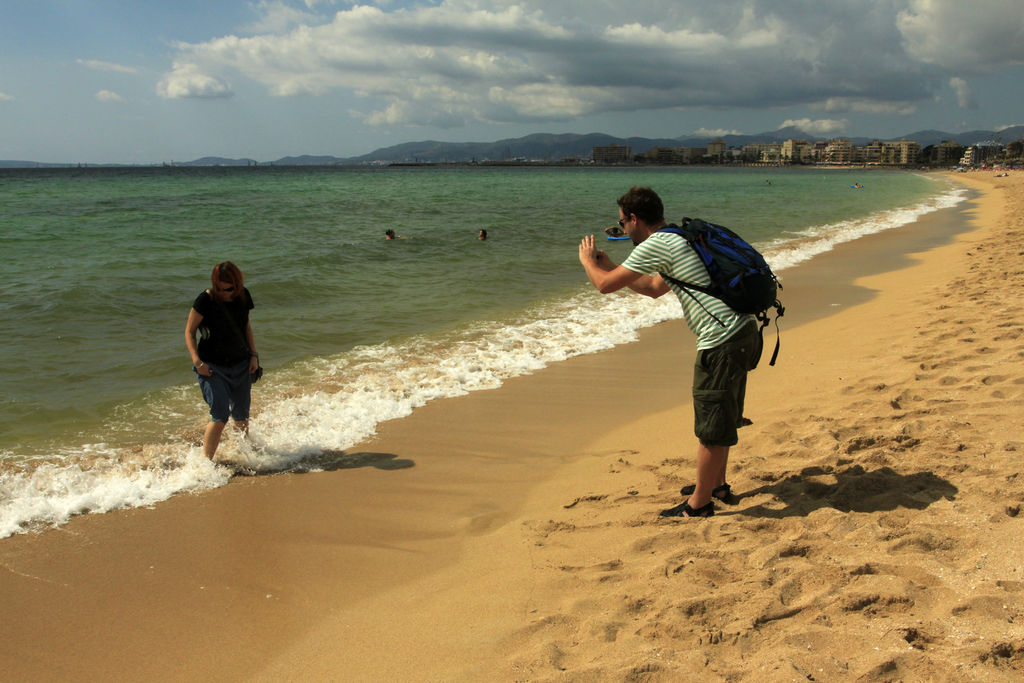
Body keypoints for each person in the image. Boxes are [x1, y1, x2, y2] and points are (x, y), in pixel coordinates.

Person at [577, 186, 762, 518]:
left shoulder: (658, 243)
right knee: (722, 416)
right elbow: (652, 288)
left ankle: (699, 504)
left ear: (634, 219)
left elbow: (604, 286)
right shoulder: (678, 237)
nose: (622, 229)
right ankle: (715, 485)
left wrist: (587, 262)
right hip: (742, 331)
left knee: (711, 425)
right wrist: (612, 264)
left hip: (721, 339)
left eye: (621, 224)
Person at [185, 261, 260, 462]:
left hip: (241, 364)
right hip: (212, 367)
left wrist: (253, 355)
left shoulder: (243, 296)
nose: (224, 292)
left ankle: (244, 456)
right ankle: (205, 464)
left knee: (242, 417)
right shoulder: (205, 300)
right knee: (219, 416)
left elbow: (246, 327)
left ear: (237, 285)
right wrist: (198, 362)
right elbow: (190, 332)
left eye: (228, 289)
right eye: (220, 288)